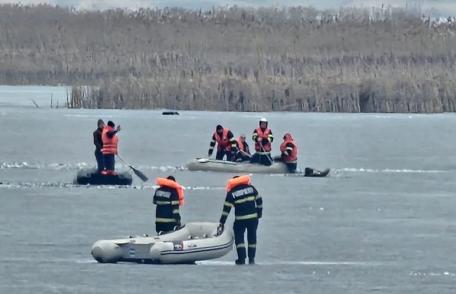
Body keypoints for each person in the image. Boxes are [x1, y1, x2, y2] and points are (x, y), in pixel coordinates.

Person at [217, 175, 262, 265]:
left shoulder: (231, 193)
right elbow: (259, 200)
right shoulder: (251, 188)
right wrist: (259, 214)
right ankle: (251, 259)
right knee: (252, 238)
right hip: (253, 219)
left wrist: (222, 222)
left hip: (240, 220)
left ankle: (241, 259)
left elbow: (226, 210)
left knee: (239, 239)